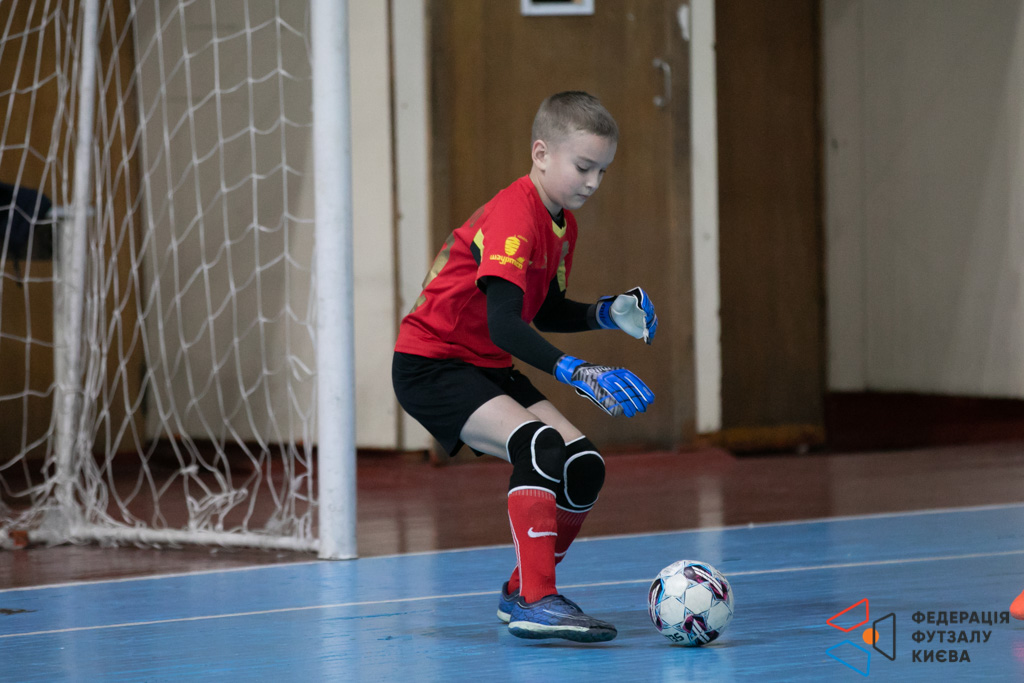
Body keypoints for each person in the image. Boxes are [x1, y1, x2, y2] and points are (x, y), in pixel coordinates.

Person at [392, 91, 657, 643]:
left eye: (603, 171)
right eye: (583, 166)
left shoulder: (562, 224)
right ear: (541, 153)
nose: (593, 182)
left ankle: (523, 588)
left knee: (583, 466)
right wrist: (576, 371)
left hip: (483, 364)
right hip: (431, 363)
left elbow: (545, 308)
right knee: (539, 446)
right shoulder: (515, 212)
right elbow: (505, 324)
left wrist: (606, 312)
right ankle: (536, 602)